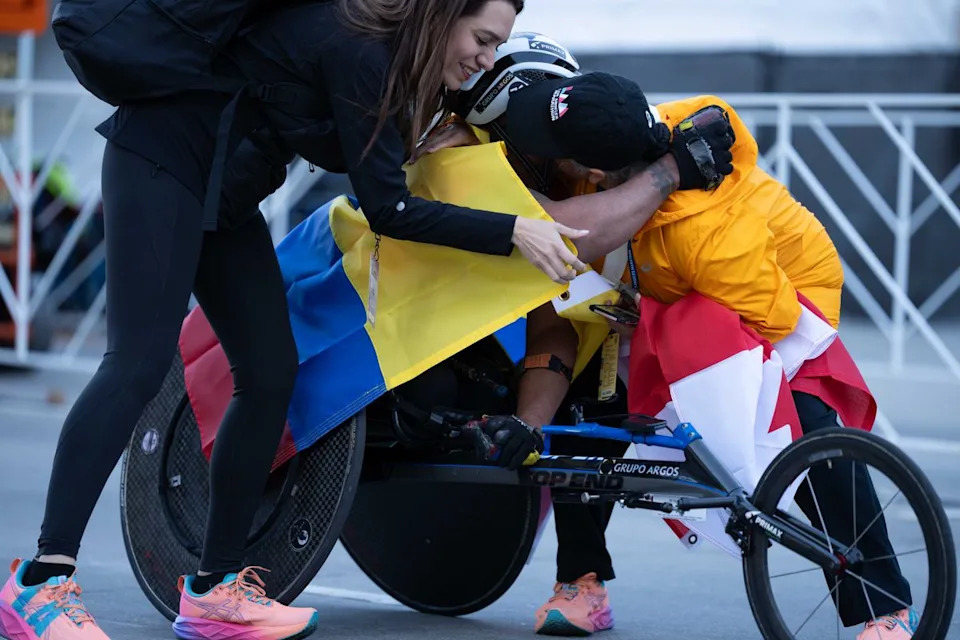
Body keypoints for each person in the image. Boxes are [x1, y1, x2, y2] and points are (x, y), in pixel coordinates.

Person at [0, 4, 614, 640]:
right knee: (137, 363)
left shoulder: (393, 66)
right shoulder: (362, 48)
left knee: (270, 373)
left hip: (224, 194)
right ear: (439, 15)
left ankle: (215, 591)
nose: (487, 58)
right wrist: (514, 231)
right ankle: (40, 584)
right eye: (483, 39)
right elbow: (390, 209)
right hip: (161, 159)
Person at [445, 56, 916, 638]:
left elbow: (772, 314)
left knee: (806, 419)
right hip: (666, 296)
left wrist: (651, 317)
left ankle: (883, 607)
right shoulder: (627, 137)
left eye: (553, 148)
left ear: (594, 170)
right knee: (587, 410)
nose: (544, 159)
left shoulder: (705, 240)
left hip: (779, 299)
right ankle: (581, 584)